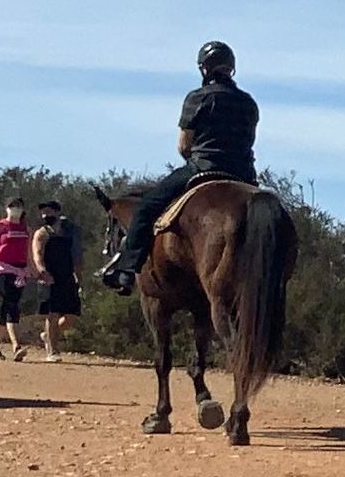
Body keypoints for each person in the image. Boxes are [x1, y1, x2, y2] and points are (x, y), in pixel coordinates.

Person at [101, 42, 258, 291]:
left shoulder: (197, 98)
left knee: (146, 208)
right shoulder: (249, 103)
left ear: (204, 69)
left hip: (203, 168)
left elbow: (184, 146)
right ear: (232, 69)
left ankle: (127, 270)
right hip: (244, 175)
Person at [0, 200, 36, 358]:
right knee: (9, 303)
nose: (16, 209)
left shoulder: (26, 229)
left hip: (20, 271)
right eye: (12, 206)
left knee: (10, 306)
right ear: (7, 208)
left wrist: (32, 270)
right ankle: (15, 345)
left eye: (19, 206)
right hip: (3, 269)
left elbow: (28, 253)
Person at [29, 199, 81, 361]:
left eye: (49, 211)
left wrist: (79, 277)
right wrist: (42, 271)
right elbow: (37, 255)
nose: (46, 214)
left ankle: (48, 335)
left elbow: (76, 256)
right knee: (52, 314)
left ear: (57, 212)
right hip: (49, 278)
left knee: (71, 316)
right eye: (43, 212)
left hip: (67, 277)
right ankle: (52, 351)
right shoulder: (41, 234)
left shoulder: (68, 232)